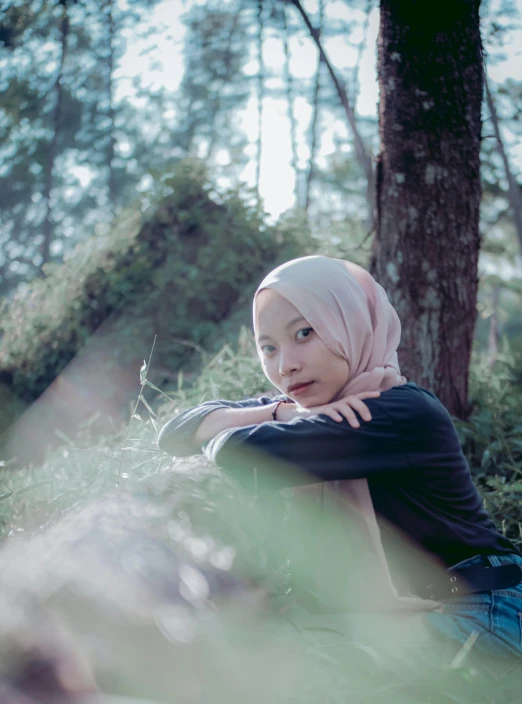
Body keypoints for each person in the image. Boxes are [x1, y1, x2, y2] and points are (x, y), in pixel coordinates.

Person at [158, 255, 522, 665]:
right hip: (433, 604)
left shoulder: (395, 411)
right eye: (269, 348)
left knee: (302, 661)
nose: (286, 364)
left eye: (304, 333)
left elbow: (233, 449)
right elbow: (175, 433)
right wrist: (277, 411)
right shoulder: (312, 410)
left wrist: (276, 418)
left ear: (348, 323)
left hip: (489, 604)